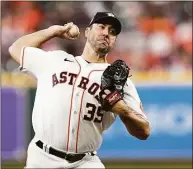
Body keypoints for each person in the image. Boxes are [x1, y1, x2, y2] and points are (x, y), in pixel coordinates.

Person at [9, 12, 150, 168]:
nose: (106, 33)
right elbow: (16, 48)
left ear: (114, 40)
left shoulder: (120, 81)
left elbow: (144, 131)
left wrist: (124, 111)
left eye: (112, 32)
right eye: (101, 27)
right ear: (87, 31)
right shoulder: (55, 60)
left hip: (85, 162)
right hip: (42, 157)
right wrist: (53, 31)